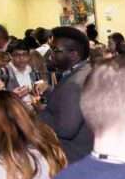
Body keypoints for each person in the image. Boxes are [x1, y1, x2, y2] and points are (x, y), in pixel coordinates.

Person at [39, 27, 92, 163]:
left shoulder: (75, 83)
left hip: (75, 157)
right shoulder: (84, 71)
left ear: (74, 54)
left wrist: (39, 113)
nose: (51, 55)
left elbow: (65, 130)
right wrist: (50, 94)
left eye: (56, 51)